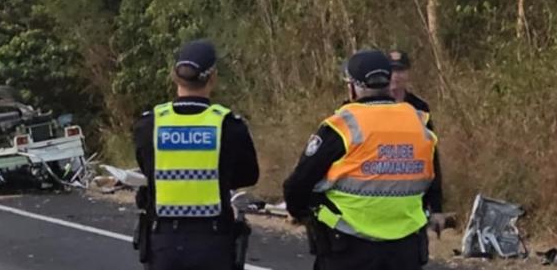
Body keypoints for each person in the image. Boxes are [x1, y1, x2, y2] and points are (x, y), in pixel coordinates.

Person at [283, 50, 444, 270]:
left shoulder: (343, 125)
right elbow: (431, 173)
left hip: (349, 246)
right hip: (405, 248)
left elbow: (298, 184)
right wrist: (436, 208)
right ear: (389, 83)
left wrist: (301, 212)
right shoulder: (419, 122)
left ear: (352, 87)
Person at [133, 40, 260, 270]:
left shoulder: (150, 124)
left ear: (174, 76)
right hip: (213, 241)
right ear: (213, 77)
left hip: (164, 243)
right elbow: (248, 175)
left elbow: (147, 169)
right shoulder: (229, 125)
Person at [388, 51, 433, 130]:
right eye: (391, 70)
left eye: (400, 70)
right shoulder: (375, 106)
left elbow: (428, 138)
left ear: (408, 73)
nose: (395, 75)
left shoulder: (419, 107)